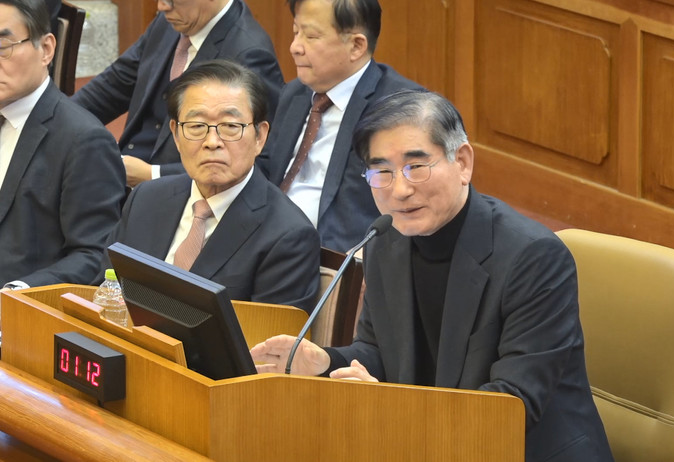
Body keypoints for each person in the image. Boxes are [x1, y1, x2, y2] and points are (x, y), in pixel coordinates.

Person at [251, 90, 615, 461]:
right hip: (432, 443)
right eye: (382, 172)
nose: (400, 190)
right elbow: (378, 351)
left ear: (463, 162)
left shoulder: (533, 257)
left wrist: (389, 410)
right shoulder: (385, 239)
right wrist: (326, 363)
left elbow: (510, 407)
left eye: (416, 167)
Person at [100, 60, 320, 314]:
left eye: (230, 127)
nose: (212, 142)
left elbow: (266, 336)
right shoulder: (146, 199)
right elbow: (103, 291)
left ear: (260, 137)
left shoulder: (288, 236)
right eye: (196, 127)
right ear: (176, 135)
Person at [0, 0, 125, 329]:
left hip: (14, 322)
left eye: (1, 46)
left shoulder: (83, 140)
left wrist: (17, 294)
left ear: (46, 49)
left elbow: (96, 256)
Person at [256, 0, 422, 253]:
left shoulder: (399, 110)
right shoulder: (295, 93)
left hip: (329, 258)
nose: (294, 47)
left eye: (311, 36)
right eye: (295, 32)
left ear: (356, 46)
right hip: (267, 243)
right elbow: (267, 169)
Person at [72, 0, 284, 188]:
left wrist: (153, 175)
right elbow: (115, 83)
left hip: (178, 196)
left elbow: (256, 162)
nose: (162, 6)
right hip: (122, 172)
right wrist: (62, 120)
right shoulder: (172, 21)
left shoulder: (250, 54)